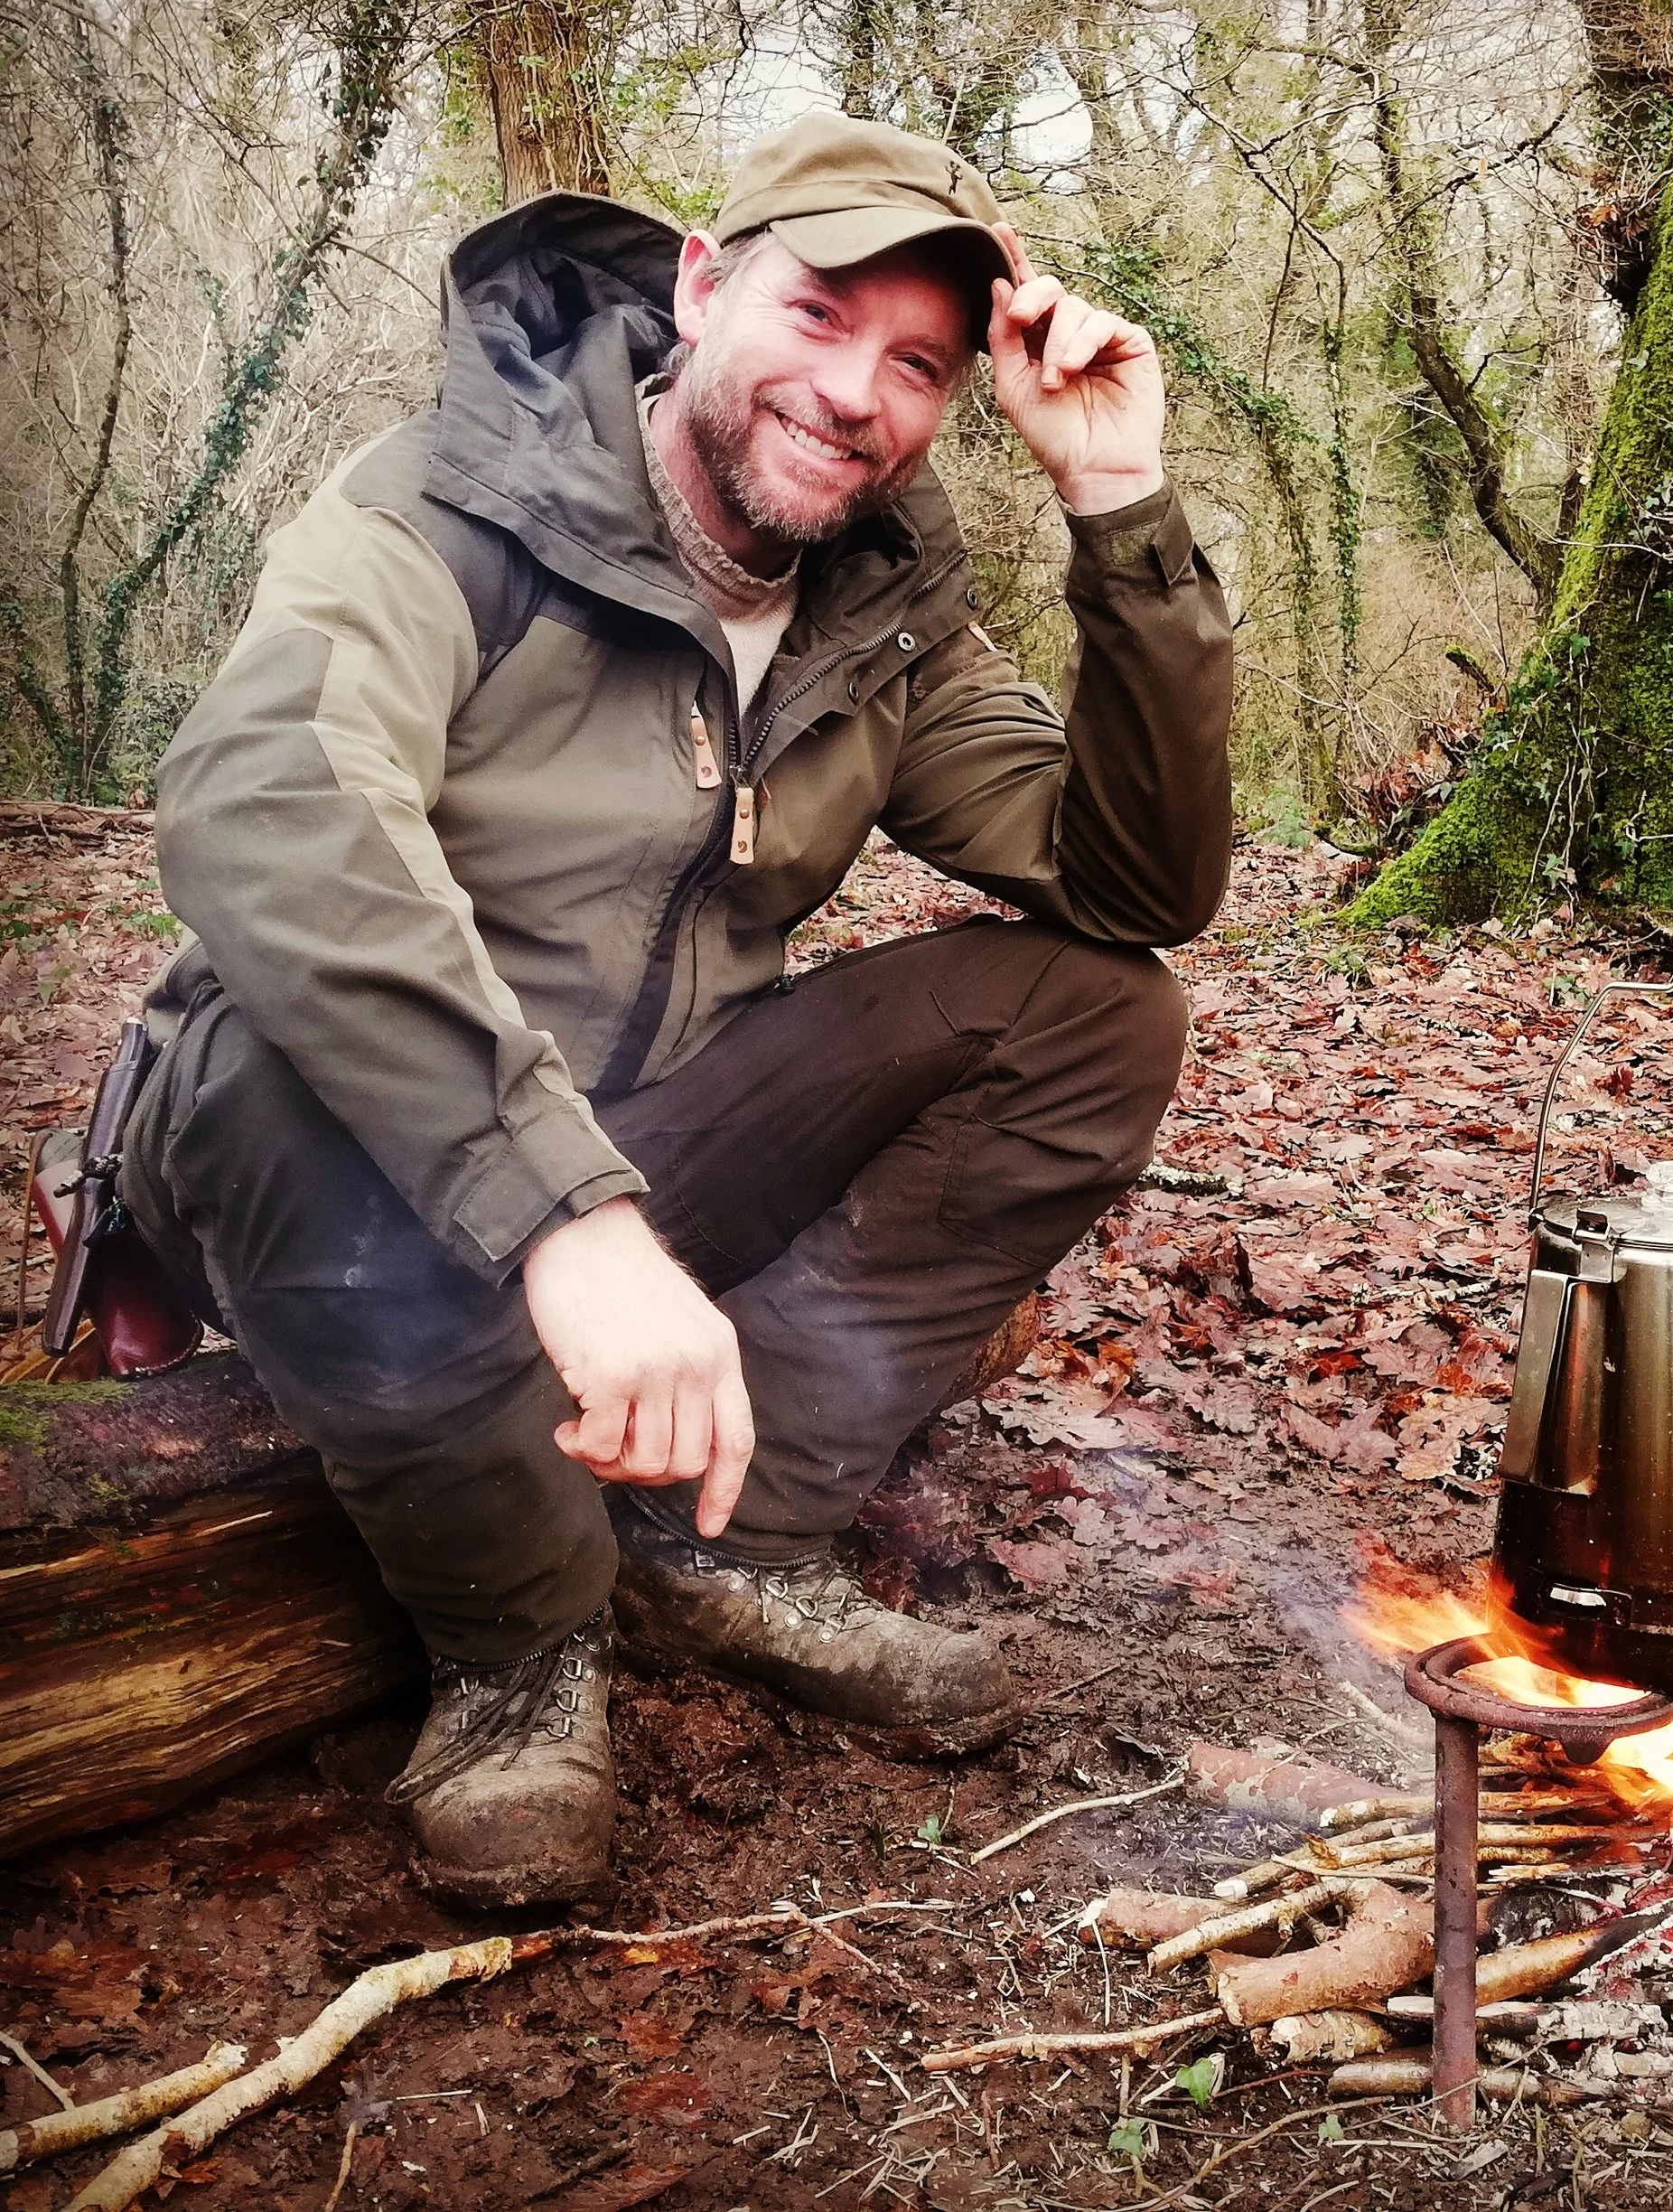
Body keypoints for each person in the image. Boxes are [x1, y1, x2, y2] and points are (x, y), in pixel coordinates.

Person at [119, 111, 1233, 1907]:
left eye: (916, 366)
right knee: (263, 1058)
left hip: (654, 1147)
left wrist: (1121, 507)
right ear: (702, 286)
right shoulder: (440, 507)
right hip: (366, 1161)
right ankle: (517, 1651)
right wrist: (565, 1216)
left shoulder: (880, 615)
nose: (855, 392)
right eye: (817, 314)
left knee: (1095, 1010)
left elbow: (1130, 885)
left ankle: (713, 1537)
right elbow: (269, 808)